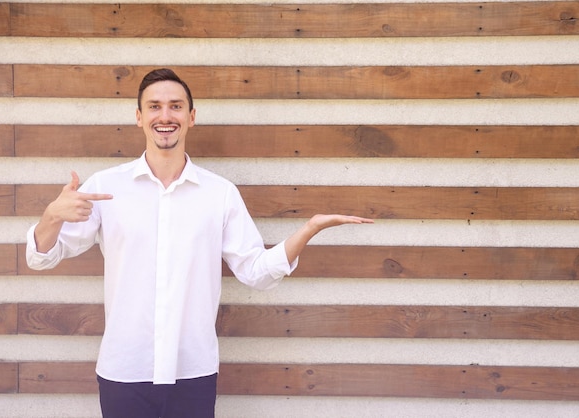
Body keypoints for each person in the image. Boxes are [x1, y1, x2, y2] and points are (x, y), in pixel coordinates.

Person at [26, 68, 373, 418]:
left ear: (191, 117)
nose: (165, 116)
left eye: (176, 106)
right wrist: (52, 216)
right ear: (138, 117)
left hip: (192, 372)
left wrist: (308, 230)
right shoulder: (106, 187)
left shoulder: (219, 193)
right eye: (154, 106)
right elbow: (42, 258)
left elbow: (255, 272)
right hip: (124, 369)